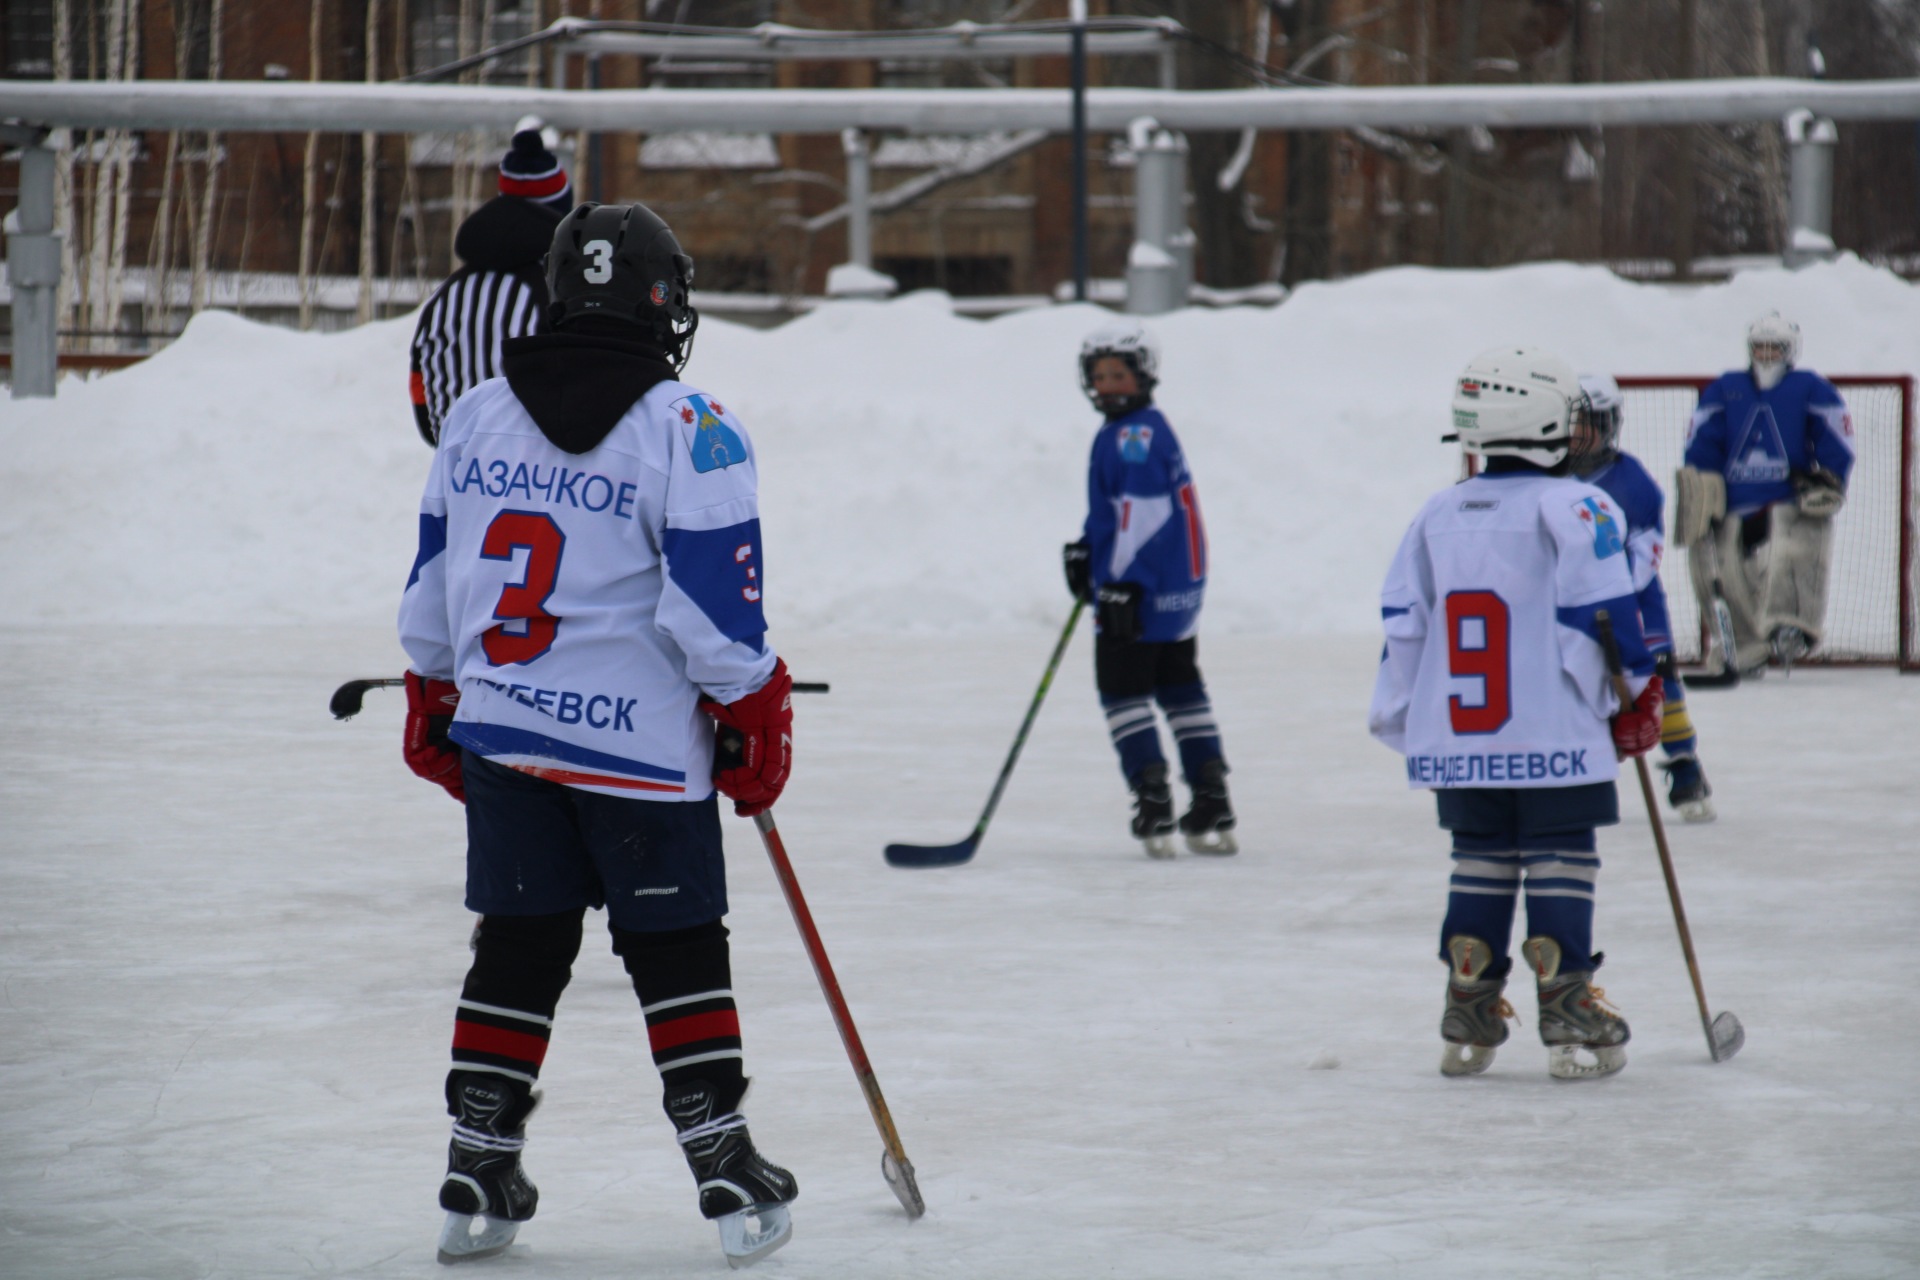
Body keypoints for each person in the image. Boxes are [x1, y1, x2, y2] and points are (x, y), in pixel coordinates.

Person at [397, 201, 799, 1267]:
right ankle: (721, 1155)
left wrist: (432, 685)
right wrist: (755, 700)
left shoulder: (478, 412)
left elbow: (437, 580)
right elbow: (713, 616)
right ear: (663, 300)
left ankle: (480, 1153)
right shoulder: (690, 424)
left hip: (506, 731)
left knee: (519, 940)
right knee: (675, 944)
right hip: (638, 751)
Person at [1369, 346, 1664, 1081]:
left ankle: (1468, 1001)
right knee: (1561, 855)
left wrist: (1407, 718)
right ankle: (1566, 1002)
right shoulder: (1578, 505)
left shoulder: (1436, 512)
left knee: (1480, 857)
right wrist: (1634, 694)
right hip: (1553, 730)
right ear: (1543, 422)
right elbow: (1603, 617)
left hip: (1460, 737)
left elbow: (1404, 624)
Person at [1061, 321, 1236, 859]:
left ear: (1144, 376)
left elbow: (1144, 515)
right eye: (1100, 376)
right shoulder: (1151, 426)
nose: (1109, 385)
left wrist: (1119, 584)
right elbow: (1121, 511)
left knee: (1122, 692)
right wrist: (1088, 547)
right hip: (1176, 592)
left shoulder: (1131, 436)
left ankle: (1152, 798)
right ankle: (1211, 796)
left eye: (1119, 375)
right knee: (1180, 687)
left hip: (1138, 592)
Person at [1675, 311, 1854, 676]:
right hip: (1735, 502)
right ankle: (1742, 646)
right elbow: (1702, 440)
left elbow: (1836, 435)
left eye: (1776, 348)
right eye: (1760, 348)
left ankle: (1791, 625)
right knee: (1718, 567)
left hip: (1788, 500)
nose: (1767, 355)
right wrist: (1703, 482)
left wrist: (1830, 475)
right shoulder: (1726, 388)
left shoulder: (1810, 387)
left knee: (1797, 549)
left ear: (1791, 351)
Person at [1571, 374, 1715, 822]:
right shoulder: (1545, 475)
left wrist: (1600, 591)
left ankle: (1684, 762)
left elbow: (1644, 557)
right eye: (1571, 424)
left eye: (1588, 424)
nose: (1577, 435)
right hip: (1569, 602)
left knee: (1656, 677)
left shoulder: (1633, 483)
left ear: (1608, 425)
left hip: (1632, 602)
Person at [408, 126, 574, 447]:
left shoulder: (448, 294)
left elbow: (421, 390)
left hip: (456, 466)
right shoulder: (557, 294)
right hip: (536, 469)